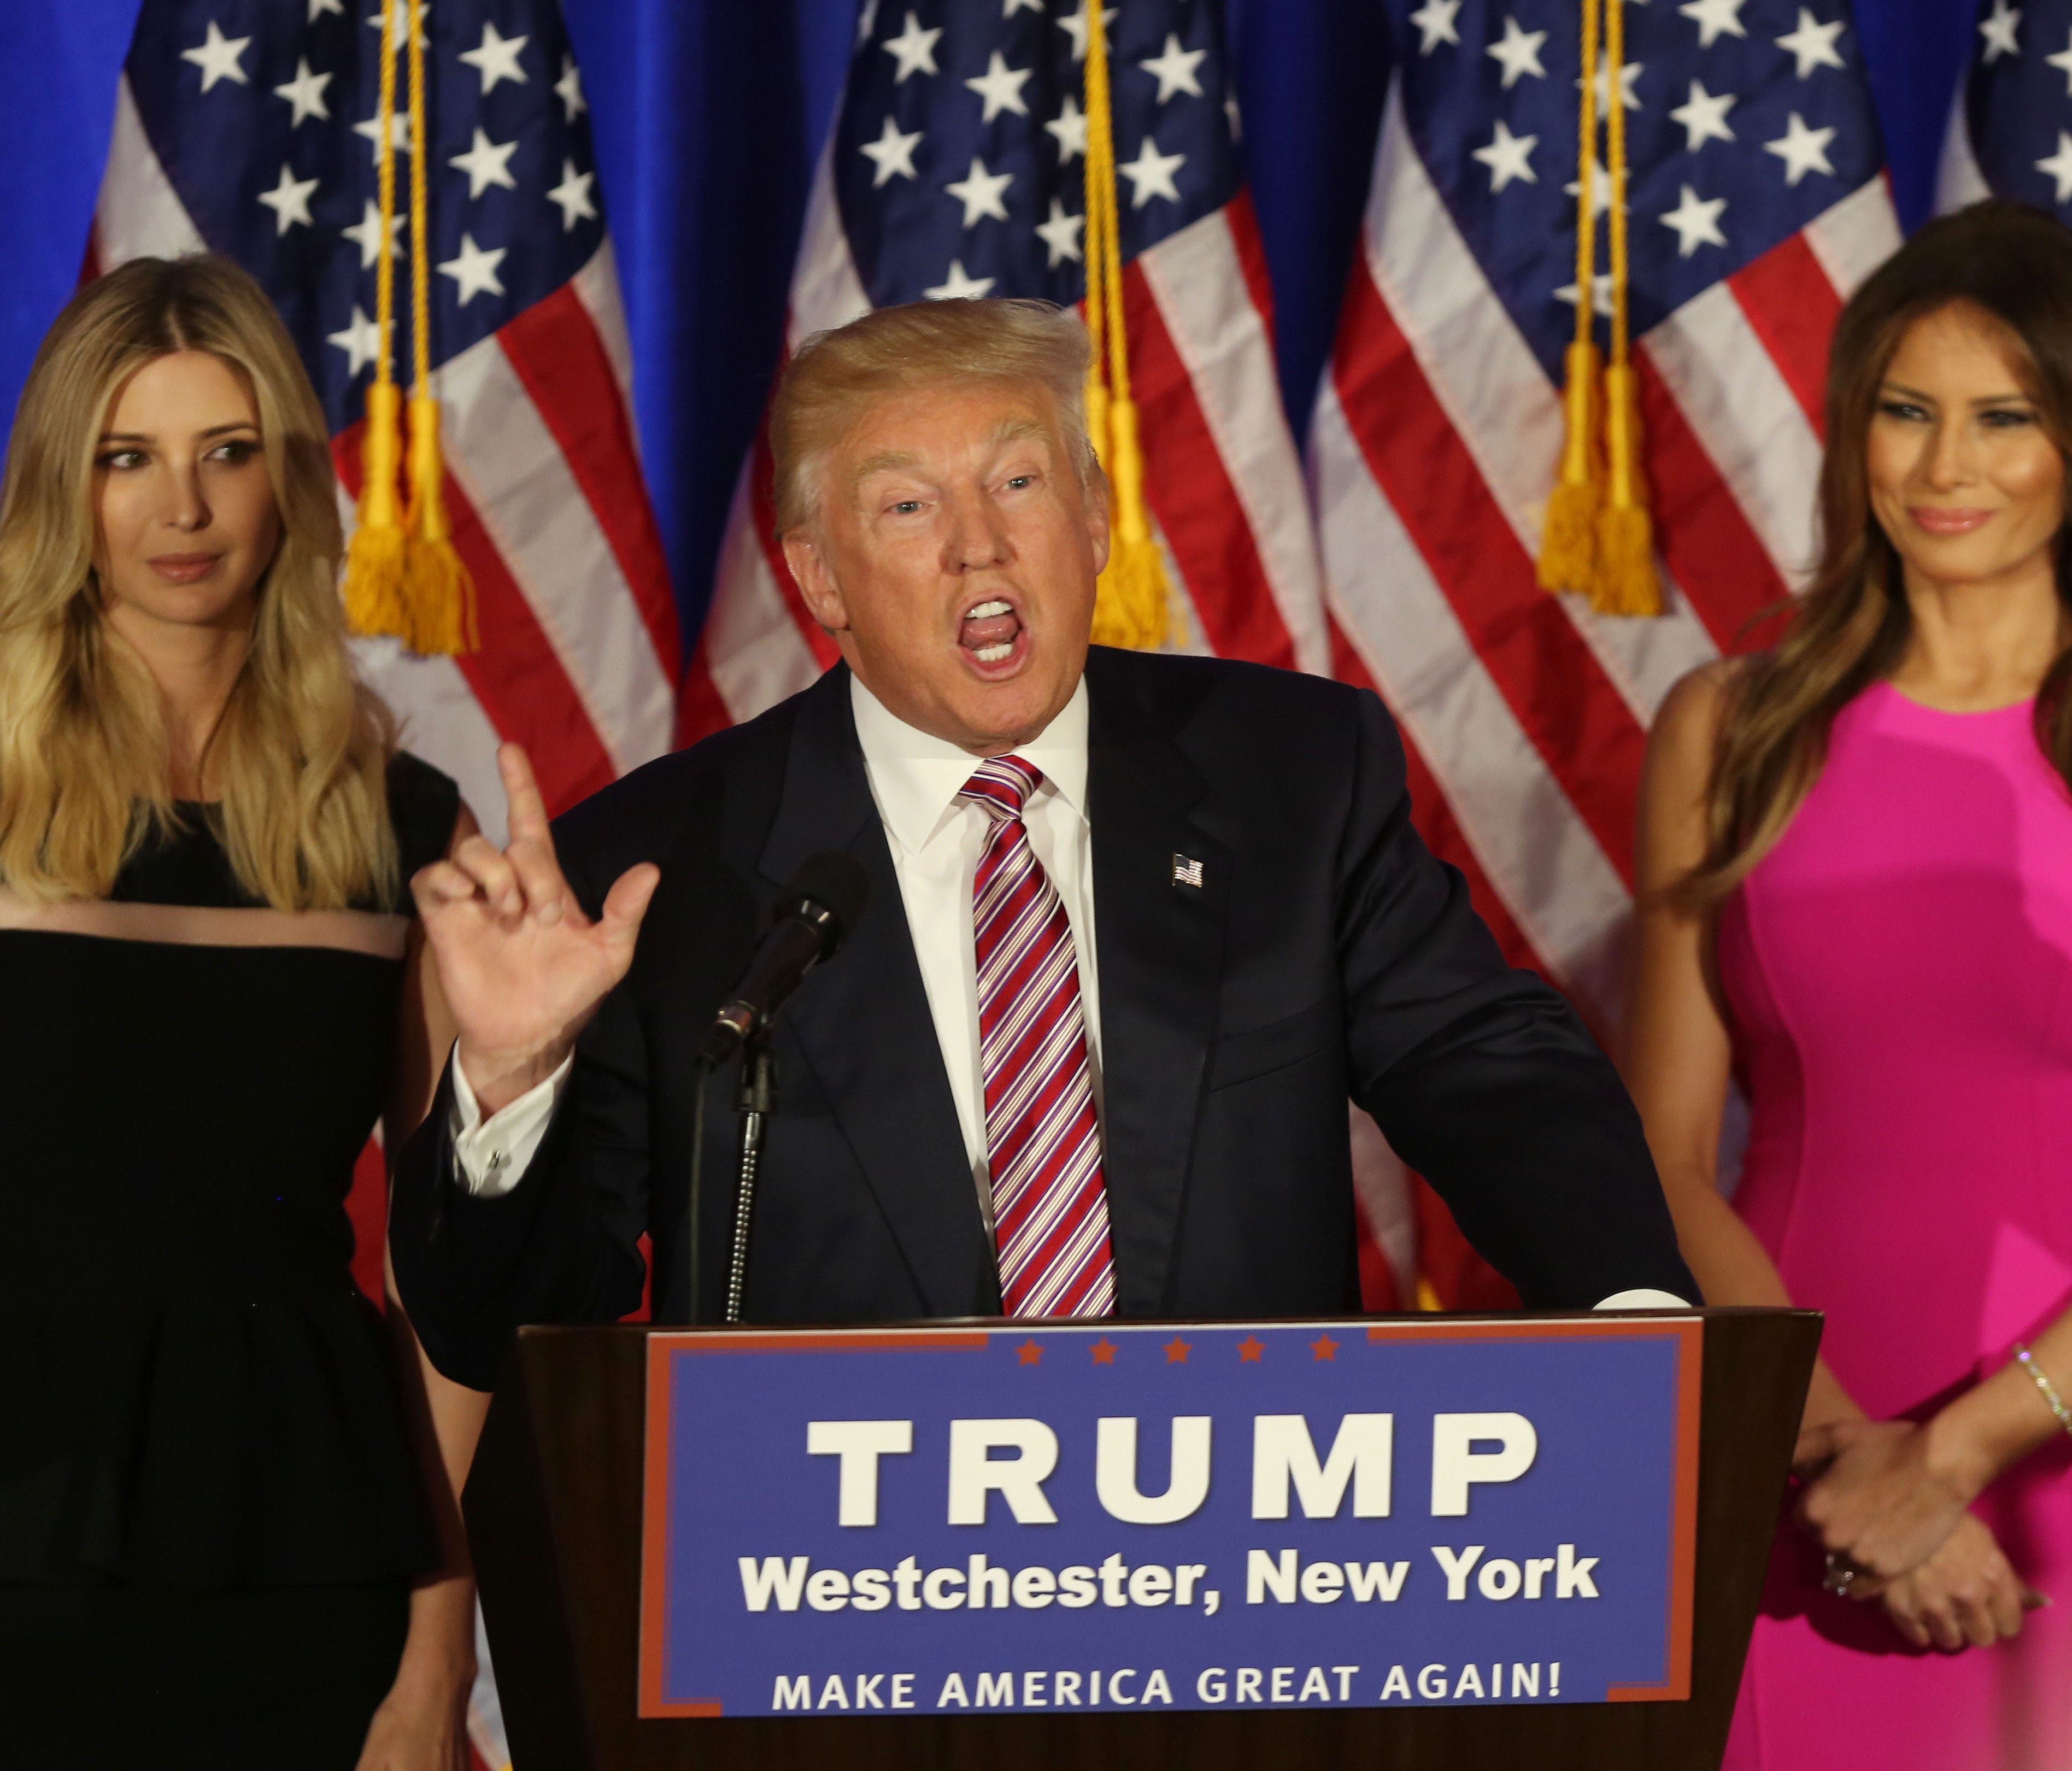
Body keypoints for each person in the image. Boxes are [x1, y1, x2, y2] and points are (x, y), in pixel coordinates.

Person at [391, 296, 1695, 1391]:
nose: (980, 547)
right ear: (821, 578)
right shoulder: (665, 869)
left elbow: (1485, 1068)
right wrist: (510, 1076)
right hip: (847, 1576)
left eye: (1018, 483)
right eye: (908, 508)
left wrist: (1632, 1311)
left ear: (1094, 517)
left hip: (1240, 1545)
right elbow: (500, 1331)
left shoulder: (1291, 776)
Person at [0, 256, 486, 1769]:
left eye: (226, 452)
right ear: (62, 489)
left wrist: (437, 1658)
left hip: (305, 1556)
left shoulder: (404, 826)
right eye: (125, 459)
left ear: (289, 482)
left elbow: (449, 1274)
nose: (183, 509)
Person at [1626, 201, 2072, 1770]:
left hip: (2031, 1446)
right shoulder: (1729, 729)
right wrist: (1833, 1456)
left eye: (2004, 417)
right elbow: (1663, 1156)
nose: (1946, 467)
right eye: (1906, 410)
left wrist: (1950, 1457)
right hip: (1801, 1462)